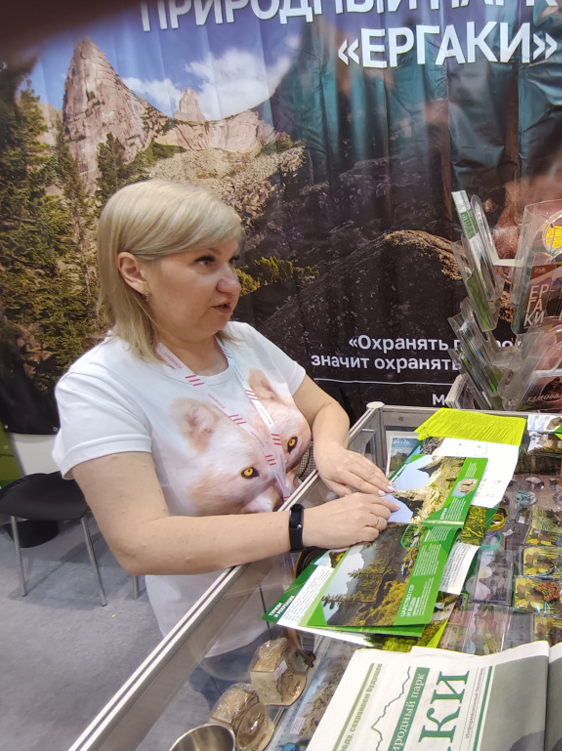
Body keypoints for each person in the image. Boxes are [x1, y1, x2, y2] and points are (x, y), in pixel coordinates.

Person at [53, 179, 399, 701]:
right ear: (134, 272)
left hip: (317, 581)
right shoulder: (97, 386)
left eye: (231, 261)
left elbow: (324, 407)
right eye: (205, 262)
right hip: (230, 626)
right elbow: (139, 543)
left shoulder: (243, 341)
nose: (231, 284)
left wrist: (329, 451)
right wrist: (304, 526)